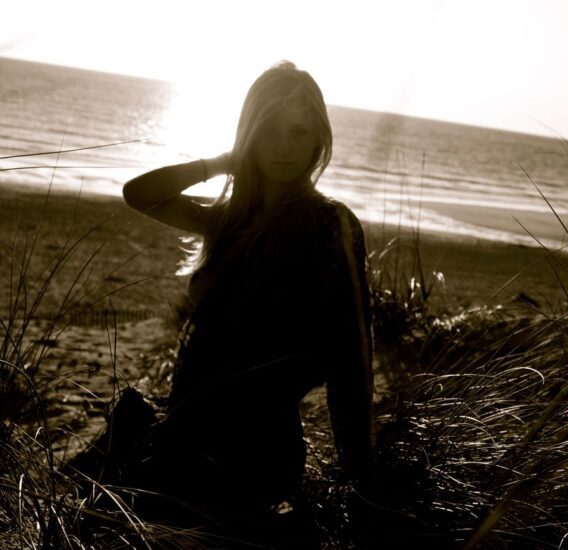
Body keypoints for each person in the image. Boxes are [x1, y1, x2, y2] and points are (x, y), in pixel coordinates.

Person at [116, 60, 374, 543]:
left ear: (318, 138)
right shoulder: (229, 220)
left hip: (254, 452)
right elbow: (140, 193)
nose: (283, 146)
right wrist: (223, 162)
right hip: (186, 434)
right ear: (248, 133)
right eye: (269, 130)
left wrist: (360, 481)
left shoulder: (329, 224)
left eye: (298, 131)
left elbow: (350, 362)